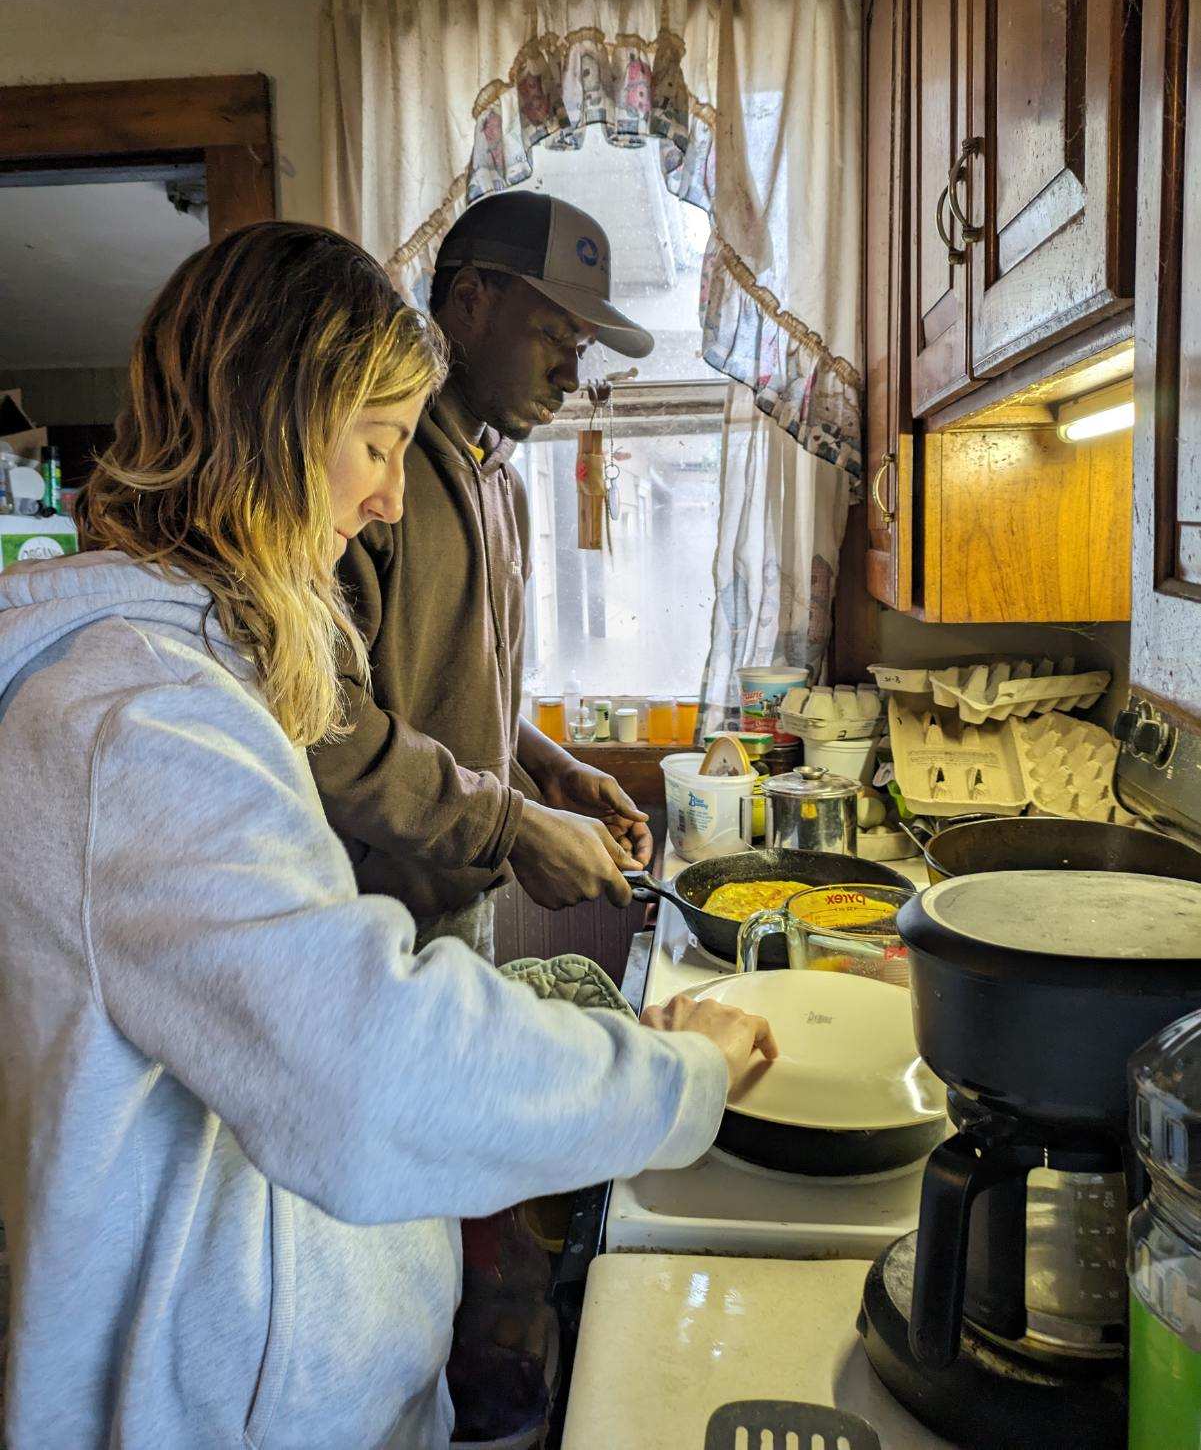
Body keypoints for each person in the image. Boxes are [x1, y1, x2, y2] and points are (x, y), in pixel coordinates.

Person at [0, 221, 776, 1450]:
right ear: (268, 420)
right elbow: (365, 1068)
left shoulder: (197, 675)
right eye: (370, 445)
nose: (376, 504)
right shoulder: (135, 722)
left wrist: (547, 774)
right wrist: (681, 1079)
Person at [311, 191, 660, 959]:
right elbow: (326, 722)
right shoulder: (362, 482)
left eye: (583, 345)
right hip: (365, 927)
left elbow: (449, 679)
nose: (572, 372)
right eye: (554, 334)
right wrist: (514, 825)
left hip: (462, 888)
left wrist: (547, 767)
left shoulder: (502, 480)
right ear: (469, 300)